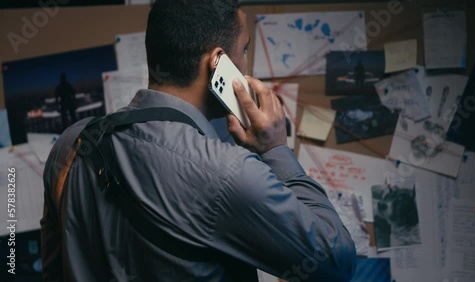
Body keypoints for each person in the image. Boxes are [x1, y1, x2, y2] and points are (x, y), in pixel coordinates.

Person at [40, 1, 356, 281]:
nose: (246, 63)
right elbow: (336, 263)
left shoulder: (69, 145)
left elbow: (55, 270)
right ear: (218, 61)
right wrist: (276, 150)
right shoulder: (228, 172)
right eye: (244, 50)